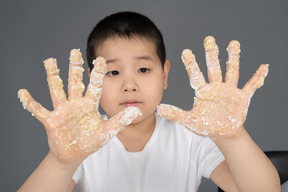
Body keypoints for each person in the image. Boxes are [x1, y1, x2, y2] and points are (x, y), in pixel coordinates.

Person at [17, 11, 280, 192]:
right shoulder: (82, 142)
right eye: (112, 72)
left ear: (165, 75)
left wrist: (233, 138)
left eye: (143, 70)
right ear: (92, 80)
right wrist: (61, 162)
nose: (129, 85)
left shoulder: (191, 138)